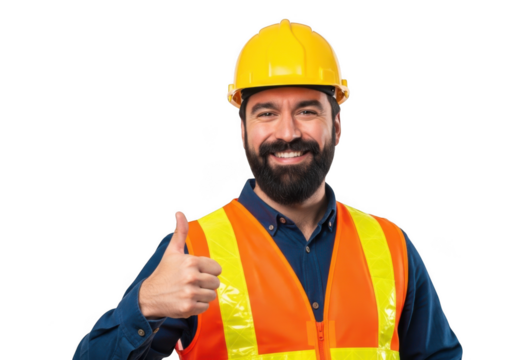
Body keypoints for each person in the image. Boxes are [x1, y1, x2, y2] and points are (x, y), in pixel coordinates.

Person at [73, 18, 463, 359]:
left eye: (307, 110)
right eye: (267, 113)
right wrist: (145, 306)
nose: (288, 133)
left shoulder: (390, 245)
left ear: (338, 127)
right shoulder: (195, 250)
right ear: (243, 130)